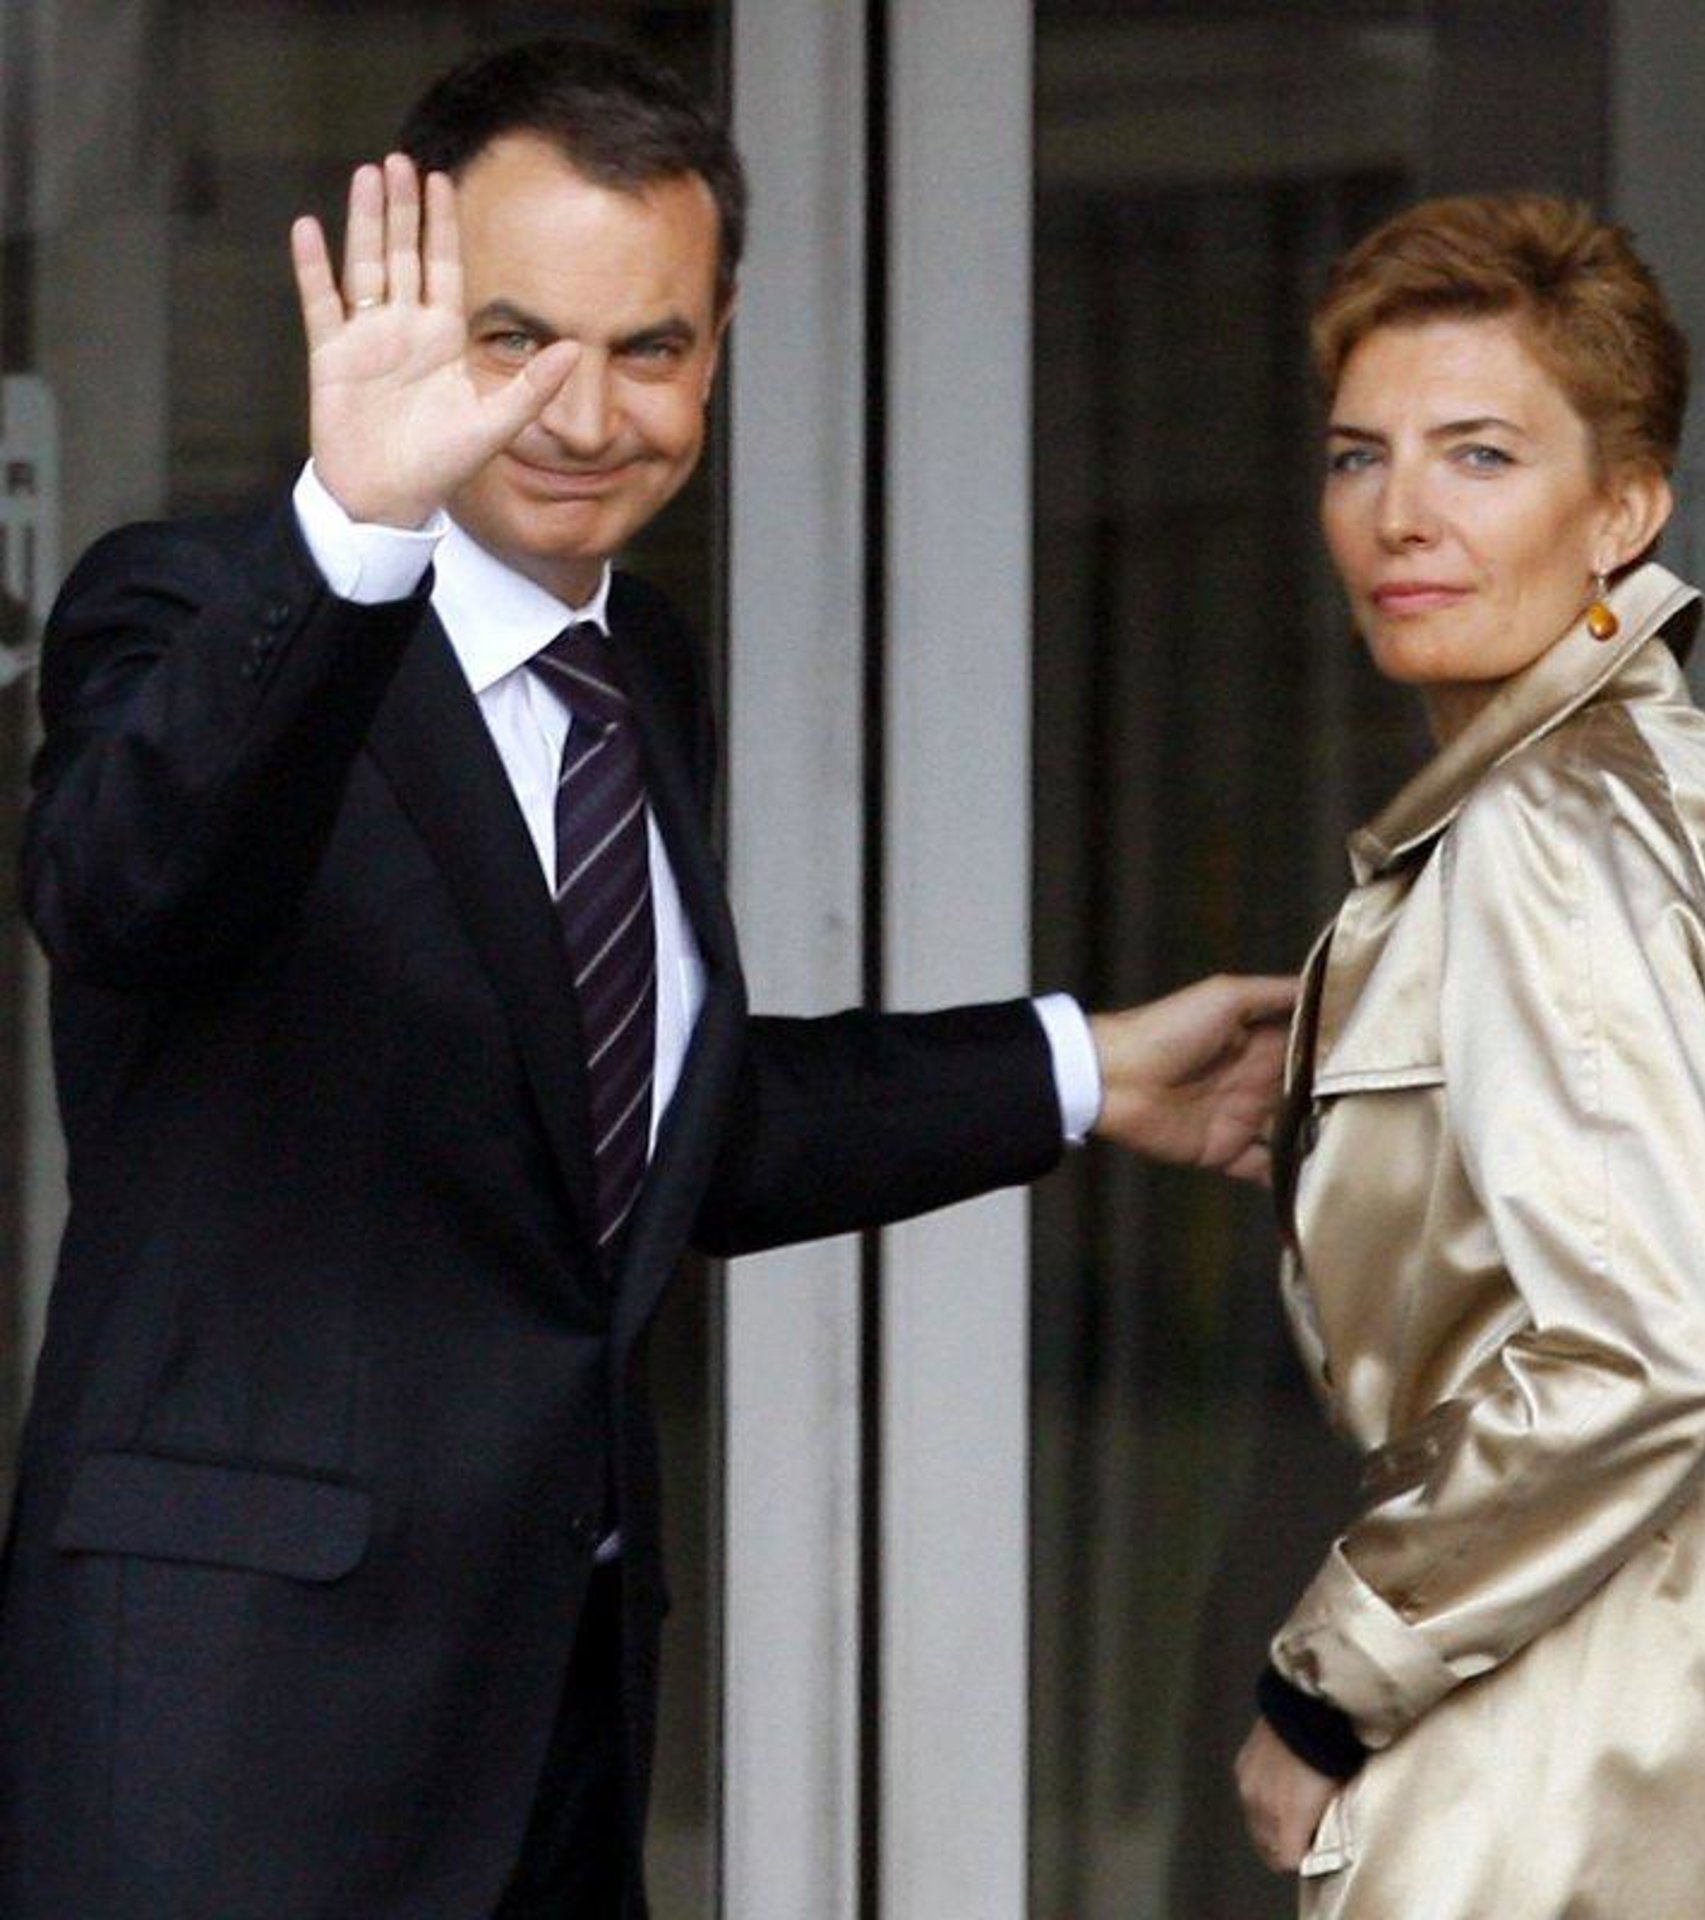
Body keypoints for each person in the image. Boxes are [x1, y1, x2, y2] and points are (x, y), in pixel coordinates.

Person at [0, 40, 1293, 1920]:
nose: (584, 416)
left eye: (651, 349)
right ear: (408, 316)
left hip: (549, 1722)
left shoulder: (637, 669)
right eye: (515, 341)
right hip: (237, 1739)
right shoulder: (199, 606)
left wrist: (1082, 1070)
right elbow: (122, 892)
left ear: (723, 337)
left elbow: (641, 1128)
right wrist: (352, 531)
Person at [1235, 192, 1705, 1917]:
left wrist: (1329, 1685)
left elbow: (1637, 1343)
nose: (1401, 514)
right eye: (1358, 456)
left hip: (1577, 1709)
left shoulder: (1542, 827)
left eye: (1480, 455)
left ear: (1624, 508)